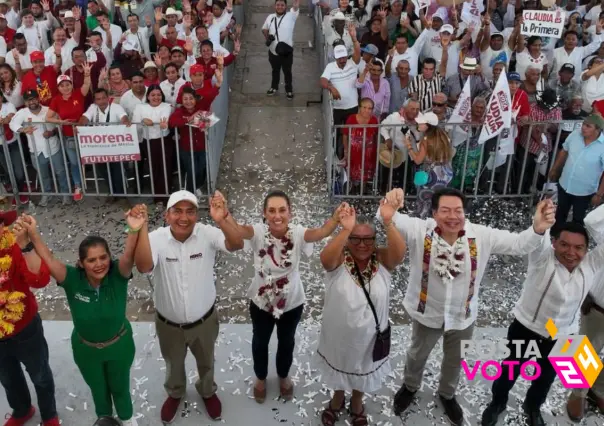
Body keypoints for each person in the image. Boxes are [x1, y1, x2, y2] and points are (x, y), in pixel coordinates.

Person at [380, 187, 556, 426]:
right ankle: (410, 386)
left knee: (454, 360)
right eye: (445, 211)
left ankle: (447, 394)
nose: (452, 216)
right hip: (427, 313)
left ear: (465, 213)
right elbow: (387, 216)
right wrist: (389, 205)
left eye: (458, 211)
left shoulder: (481, 235)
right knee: (417, 354)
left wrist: (537, 228)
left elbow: (518, 245)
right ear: (433, 213)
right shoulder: (420, 230)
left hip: (462, 317)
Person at [17, 206, 146, 426]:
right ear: (81, 263)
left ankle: (127, 419)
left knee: (120, 387)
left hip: (119, 347)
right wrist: (33, 235)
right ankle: (104, 420)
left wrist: (133, 230)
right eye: (91, 260)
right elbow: (48, 259)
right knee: (98, 389)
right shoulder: (72, 279)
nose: (99, 264)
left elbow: (127, 256)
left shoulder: (118, 274)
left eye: (103, 257)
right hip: (86, 350)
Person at [133, 190, 244, 423]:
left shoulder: (207, 234)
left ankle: (207, 390)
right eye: (177, 211)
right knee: (173, 363)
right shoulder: (155, 238)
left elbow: (236, 244)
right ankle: (175, 392)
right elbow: (143, 266)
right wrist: (141, 228)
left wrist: (222, 218)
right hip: (168, 324)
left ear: (197, 215)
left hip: (204, 321)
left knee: (207, 360)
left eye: (190, 211)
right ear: (166, 215)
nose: (183, 218)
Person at [481, 218, 604, 426]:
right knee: (511, 369)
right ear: (554, 243)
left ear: (586, 249)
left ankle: (532, 407)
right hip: (527, 327)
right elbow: (538, 237)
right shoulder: (542, 258)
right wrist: (541, 222)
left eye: (579, 247)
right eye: (564, 245)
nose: (571, 253)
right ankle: (497, 403)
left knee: (545, 378)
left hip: (564, 333)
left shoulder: (592, 263)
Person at [229, 190, 342, 403]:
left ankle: (283, 375)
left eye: (282, 210)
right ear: (264, 213)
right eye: (271, 210)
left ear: (290, 213)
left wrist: (336, 219)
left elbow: (320, 233)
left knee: (286, 341)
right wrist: (224, 215)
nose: (277, 215)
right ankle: (261, 378)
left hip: (291, 303)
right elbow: (239, 230)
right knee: (260, 341)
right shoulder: (258, 233)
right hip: (261, 303)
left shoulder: (298, 233)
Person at [317, 202, 406, 426]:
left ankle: (357, 402)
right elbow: (325, 259)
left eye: (368, 239)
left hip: (370, 336)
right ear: (347, 241)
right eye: (355, 238)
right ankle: (337, 398)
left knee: (363, 367)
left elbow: (399, 255)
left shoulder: (382, 261)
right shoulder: (339, 261)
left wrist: (388, 221)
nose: (362, 244)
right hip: (339, 335)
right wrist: (346, 228)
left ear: (375, 242)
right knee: (341, 363)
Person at [0, 210, 59, 426]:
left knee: (40, 375)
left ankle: (49, 415)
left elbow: (40, 280)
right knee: (8, 379)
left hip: (25, 328)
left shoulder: (14, 245)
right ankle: (22, 411)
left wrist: (26, 244)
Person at [567, 205, 604, 421]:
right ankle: (577, 394)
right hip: (600, 304)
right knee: (585, 349)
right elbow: (592, 221)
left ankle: (598, 389)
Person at [10, 89, 70, 207]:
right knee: (43, 175)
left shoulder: (48, 110)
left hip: (53, 147)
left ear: (38, 99)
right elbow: (13, 124)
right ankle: (46, 194)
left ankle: (66, 193)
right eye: (28, 100)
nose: (31, 102)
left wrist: (51, 133)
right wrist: (23, 129)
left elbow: (59, 126)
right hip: (36, 150)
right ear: (25, 102)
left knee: (61, 172)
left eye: (33, 99)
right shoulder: (23, 112)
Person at [549, 114, 604, 234]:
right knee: (560, 213)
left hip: (584, 191)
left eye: (588, 126)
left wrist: (599, 194)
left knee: (578, 218)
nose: (583, 128)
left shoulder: (602, 146)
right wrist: (555, 168)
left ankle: (573, 241)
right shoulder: (575, 135)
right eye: (584, 124)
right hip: (565, 183)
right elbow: (564, 151)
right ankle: (556, 237)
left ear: (597, 129)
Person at [46, 68, 92, 202]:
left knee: (89, 159)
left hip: (84, 135)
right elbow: (48, 118)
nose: (65, 88)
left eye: (67, 84)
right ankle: (77, 186)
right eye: (62, 85)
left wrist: (87, 74)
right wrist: (60, 121)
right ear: (58, 87)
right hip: (69, 136)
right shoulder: (56, 100)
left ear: (71, 85)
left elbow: (86, 85)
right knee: (74, 162)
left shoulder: (78, 94)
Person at [79, 88, 130, 196]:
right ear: (95, 101)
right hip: (100, 148)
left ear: (108, 98)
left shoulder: (116, 107)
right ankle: (112, 193)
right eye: (98, 99)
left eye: (103, 98)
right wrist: (80, 125)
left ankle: (121, 195)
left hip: (116, 147)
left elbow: (123, 117)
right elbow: (85, 118)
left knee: (117, 172)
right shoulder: (93, 108)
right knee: (103, 171)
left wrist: (126, 122)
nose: (101, 101)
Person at [405, 111, 453, 219]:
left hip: (432, 175)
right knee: (439, 200)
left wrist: (409, 146)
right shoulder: (443, 136)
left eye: (421, 123)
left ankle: (423, 224)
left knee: (425, 200)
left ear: (428, 125)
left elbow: (418, 160)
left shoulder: (426, 140)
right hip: (445, 172)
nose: (419, 124)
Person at [132, 84, 173, 203]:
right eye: (153, 95)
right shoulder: (140, 107)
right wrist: (142, 120)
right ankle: (157, 197)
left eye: (159, 95)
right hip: (148, 141)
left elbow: (163, 121)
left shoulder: (166, 106)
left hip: (163, 140)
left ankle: (166, 196)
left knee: (166, 167)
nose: (156, 97)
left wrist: (151, 122)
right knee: (153, 168)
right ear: (148, 96)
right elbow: (135, 122)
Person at [168, 87, 207, 196]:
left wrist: (205, 125)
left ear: (195, 99)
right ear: (181, 100)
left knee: (201, 168)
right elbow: (172, 122)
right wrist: (188, 119)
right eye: (185, 99)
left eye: (191, 98)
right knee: (191, 170)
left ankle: (197, 187)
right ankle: (189, 193)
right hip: (187, 147)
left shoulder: (201, 109)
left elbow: (207, 124)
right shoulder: (179, 111)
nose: (188, 101)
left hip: (202, 146)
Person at [262, 0, 299, 100]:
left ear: (286, 6)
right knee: (275, 70)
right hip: (273, 50)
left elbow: (295, 9)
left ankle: (289, 90)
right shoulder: (270, 17)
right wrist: (267, 36)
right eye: (278, 5)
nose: (280, 7)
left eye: (282, 5)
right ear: (275, 6)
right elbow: (264, 28)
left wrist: (295, 6)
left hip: (286, 51)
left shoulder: (291, 16)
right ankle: (274, 87)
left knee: (287, 72)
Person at [342, 97, 379, 192]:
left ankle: (364, 188)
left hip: (369, 153)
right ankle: (354, 188)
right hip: (353, 151)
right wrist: (346, 150)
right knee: (353, 170)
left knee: (366, 171)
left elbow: (376, 136)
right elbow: (345, 135)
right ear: (359, 108)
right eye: (364, 107)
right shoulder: (351, 119)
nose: (367, 110)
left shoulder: (374, 120)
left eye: (370, 108)